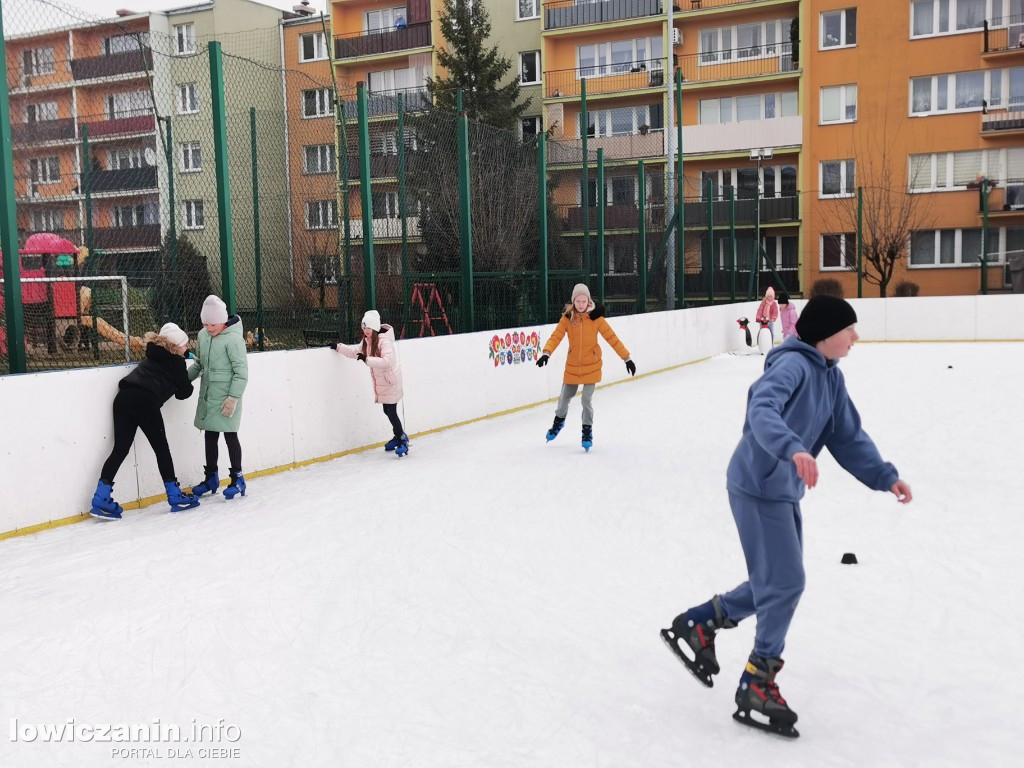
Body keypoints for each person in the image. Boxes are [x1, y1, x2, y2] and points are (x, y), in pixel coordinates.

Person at [661, 295, 913, 738]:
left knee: (775, 583)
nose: (856, 337)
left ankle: (701, 622)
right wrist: (793, 447)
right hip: (758, 484)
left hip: (780, 490)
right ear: (825, 334)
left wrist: (884, 476)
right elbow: (762, 408)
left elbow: (849, 437)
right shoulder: (792, 366)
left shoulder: (831, 378)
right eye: (848, 329)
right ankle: (757, 679)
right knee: (786, 583)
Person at [89, 323, 200, 520]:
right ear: (176, 346)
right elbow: (184, 393)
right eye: (184, 345)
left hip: (123, 397)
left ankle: (100, 498)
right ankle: (175, 496)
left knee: (120, 448)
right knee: (161, 449)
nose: (187, 348)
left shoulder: (154, 354)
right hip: (145, 401)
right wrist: (195, 371)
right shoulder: (176, 362)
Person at [536, 283, 635, 451]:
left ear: (589, 301)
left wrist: (626, 358)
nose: (581, 304)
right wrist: (546, 353)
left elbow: (612, 338)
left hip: (592, 367)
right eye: (578, 301)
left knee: (586, 400)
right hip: (573, 367)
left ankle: (587, 431)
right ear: (573, 302)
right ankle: (558, 423)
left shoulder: (596, 319)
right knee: (563, 399)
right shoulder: (567, 318)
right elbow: (556, 336)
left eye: (584, 301)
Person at [188, 295, 249, 500]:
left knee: (230, 435)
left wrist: (233, 398)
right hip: (208, 395)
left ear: (223, 320)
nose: (209, 328)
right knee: (210, 435)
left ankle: (237, 478)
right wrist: (182, 381)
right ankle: (211, 478)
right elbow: (199, 364)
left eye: (213, 324)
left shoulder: (234, 340)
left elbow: (241, 373)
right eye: (205, 324)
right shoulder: (204, 336)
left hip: (227, 397)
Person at [329, 310, 409, 456]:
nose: (365, 331)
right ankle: (398, 436)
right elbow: (355, 352)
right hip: (383, 383)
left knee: (391, 412)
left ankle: (403, 439)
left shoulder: (384, 342)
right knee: (387, 411)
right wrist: (338, 347)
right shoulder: (366, 341)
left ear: (375, 328)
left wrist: (367, 360)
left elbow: (388, 361)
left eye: (368, 328)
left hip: (390, 381)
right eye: (364, 327)